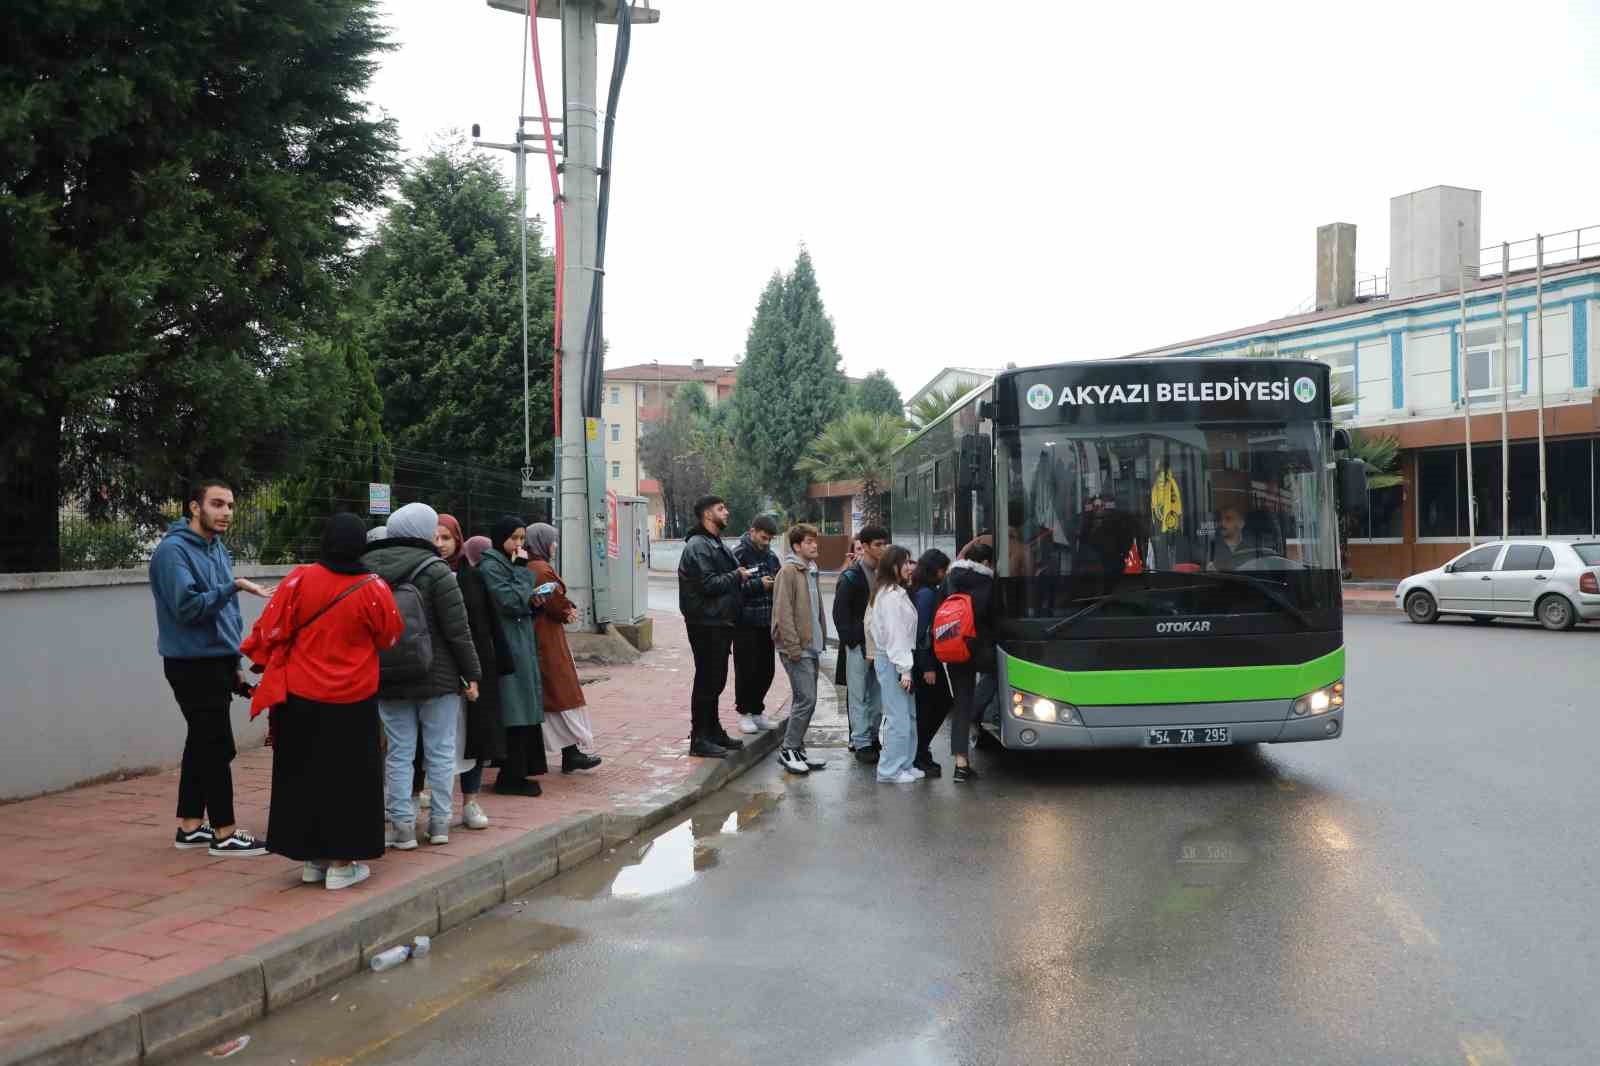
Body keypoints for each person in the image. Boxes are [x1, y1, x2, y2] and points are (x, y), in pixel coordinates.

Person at [240, 514, 404, 890]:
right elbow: (390, 637)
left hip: (299, 698)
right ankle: (342, 864)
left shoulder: (299, 578)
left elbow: (268, 628)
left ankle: (312, 860)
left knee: (303, 776)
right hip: (352, 699)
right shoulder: (374, 587)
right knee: (349, 781)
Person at [149, 478, 273, 857]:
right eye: (217, 504)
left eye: (230, 506)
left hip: (216, 660)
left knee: (202, 742)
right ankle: (224, 832)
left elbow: (227, 615)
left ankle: (189, 826)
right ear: (194, 507)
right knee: (217, 745)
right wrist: (232, 586)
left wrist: (234, 662)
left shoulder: (216, 548)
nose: (226, 513)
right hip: (190, 664)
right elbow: (187, 608)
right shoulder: (173, 553)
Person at [363, 502, 482, 849]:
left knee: (399, 752)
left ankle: (401, 827)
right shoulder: (437, 571)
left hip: (388, 676)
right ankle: (439, 824)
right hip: (438, 675)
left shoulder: (369, 570)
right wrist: (471, 673)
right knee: (440, 751)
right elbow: (458, 631)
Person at [678, 494, 760, 758]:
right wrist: (737, 574)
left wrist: (750, 579)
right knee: (707, 680)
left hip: (719, 621)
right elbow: (708, 584)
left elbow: (728, 581)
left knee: (715, 680)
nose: (726, 512)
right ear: (706, 514)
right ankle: (699, 738)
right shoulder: (698, 545)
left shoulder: (714, 542)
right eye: (720, 509)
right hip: (705, 622)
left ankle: (712, 731)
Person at [477, 516, 550, 795]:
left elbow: (519, 600)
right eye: (514, 538)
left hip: (520, 641)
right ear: (500, 539)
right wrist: (521, 572)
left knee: (524, 706)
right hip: (507, 645)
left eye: (522, 539)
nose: (519, 545)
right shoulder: (491, 566)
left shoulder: (506, 564)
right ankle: (510, 775)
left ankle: (521, 770)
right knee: (515, 707)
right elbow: (508, 600)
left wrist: (534, 603)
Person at [522, 523, 603, 774]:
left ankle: (571, 752)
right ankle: (571, 753)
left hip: (543, 636)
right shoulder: (541, 570)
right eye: (552, 540)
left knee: (556, 695)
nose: (555, 545)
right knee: (562, 693)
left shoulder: (531, 566)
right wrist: (568, 610)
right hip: (546, 639)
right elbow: (556, 605)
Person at [435, 515, 498, 830]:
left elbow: (483, 625)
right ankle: (433, 806)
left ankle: (470, 802)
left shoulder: (472, 578)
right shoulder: (422, 573)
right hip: (435, 673)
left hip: (471, 668)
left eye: (446, 538)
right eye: (435, 538)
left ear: (458, 539)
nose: (440, 544)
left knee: (472, 737)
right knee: (437, 741)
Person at [771, 523, 829, 775]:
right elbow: (783, 612)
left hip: (811, 646)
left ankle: (798, 750)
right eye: (808, 541)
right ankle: (788, 749)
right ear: (796, 546)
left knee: (802, 699)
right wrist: (793, 647)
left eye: (815, 541)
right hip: (797, 648)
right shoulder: (789, 571)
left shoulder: (810, 571)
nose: (814, 545)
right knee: (807, 699)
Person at [833, 524, 889, 763]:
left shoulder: (885, 574)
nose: (882, 548)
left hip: (881, 645)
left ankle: (874, 737)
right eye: (877, 544)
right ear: (864, 546)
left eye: (884, 543)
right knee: (858, 695)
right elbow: (840, 615)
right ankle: (862, 741)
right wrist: (854, 642)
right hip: (858, 646)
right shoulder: (851, 576)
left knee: (878, 695)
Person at [866, 545, 922, 784]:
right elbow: (895, 636)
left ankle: (904, 764)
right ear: (894, 566)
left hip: (897, 659)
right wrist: (905, 669)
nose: (910, 567)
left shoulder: (894, 592)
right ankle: (890, 770)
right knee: (898, 717)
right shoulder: (889, 596)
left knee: (907, 716)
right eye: (906, 562)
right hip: (893, 660)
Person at [945, 541, 996, 782]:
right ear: (986, 563)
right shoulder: (988, 583)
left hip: (955, 646)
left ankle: (961, 764)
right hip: (981, 649)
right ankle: (977, 716)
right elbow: (995, 617)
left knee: (961, 703)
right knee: (996, 676)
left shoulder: (951, 578)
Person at [731, 514, 781, 735]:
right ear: (752, 532)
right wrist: (759, 585)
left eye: (770, 538)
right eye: (763, 537)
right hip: (744, 622)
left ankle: (758, 710)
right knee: (746, 670)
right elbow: (730, 589)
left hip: (766, 622)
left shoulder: (771, 557)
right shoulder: (737, 555)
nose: (766, 542)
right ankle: (744, 713)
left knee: (766, 670)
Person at [911, 548, 953, 777]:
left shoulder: (922, 590)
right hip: (925, 660)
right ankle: (919, 753)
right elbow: (923, 631)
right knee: (937, 705)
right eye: (944, 569)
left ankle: (921, 751)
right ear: (937, 570)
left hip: (924, 658)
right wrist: (928, 666)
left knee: (931, 707)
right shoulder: (927, 594)